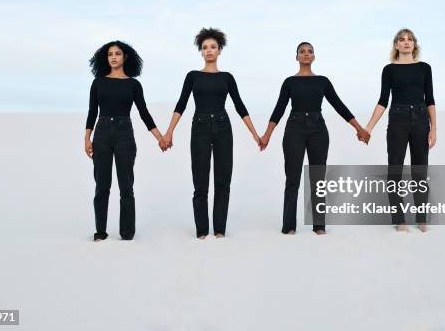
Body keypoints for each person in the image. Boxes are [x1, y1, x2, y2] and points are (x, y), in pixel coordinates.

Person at [259, 42, 370, 235]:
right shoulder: (289, 82)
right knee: (292, 178)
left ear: (314, 57)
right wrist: (267, 134)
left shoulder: (323, 81)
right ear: (297, 57)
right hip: (294, 128)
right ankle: (289, 226)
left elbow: (338, 105)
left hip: (318, 130)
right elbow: (279, 109)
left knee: (318, 178)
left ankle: (319, 226)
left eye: (310, 52)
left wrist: (359, 128)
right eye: (302, 52)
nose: (306, 54)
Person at [160, 28, 261, 239]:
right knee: (200, 181)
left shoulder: (227, 77)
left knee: (223, 180)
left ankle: (220, 230)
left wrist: (255, 134)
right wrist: (168, 132)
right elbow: (181, 105)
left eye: (213, 47)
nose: (209, 51)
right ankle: (202, 231)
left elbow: (239, 106)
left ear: (220, 50)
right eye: (205, 48)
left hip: (224, 127)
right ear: (201, 51)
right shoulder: (193, 76)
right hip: (200, 128)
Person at [84, 41, 165, 242]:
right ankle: (100, 232)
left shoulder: (133, 85)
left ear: (125, 57)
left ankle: (127, 233)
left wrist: (160, 138)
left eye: (118, 53)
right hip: (101, 134)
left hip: (124, 134)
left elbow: (143, 113)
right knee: (102, 185)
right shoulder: (98, 82)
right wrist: (87, 138)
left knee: (126, 185)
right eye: (110, 54)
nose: (113, 57)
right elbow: (92, 112)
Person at [364, 29, 437, 233]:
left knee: (419, 170)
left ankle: (421, 218)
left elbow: (429, 99)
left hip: (421, 119)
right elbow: (382, 101)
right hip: (398, 119)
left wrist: (434, 128)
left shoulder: (425, 68)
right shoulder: (389, 70)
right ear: (396, 45)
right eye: (402, 39)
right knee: (395, 169)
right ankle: (399, 219)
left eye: (410, 39)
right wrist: (369, 127)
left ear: (415, 44)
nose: (406, 42)